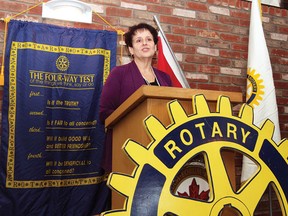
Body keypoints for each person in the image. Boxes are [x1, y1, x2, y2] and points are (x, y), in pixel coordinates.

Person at [99, 23, 172, 172]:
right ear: (131, 50)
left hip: (159, 150)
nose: (145, 43)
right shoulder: (119, 74)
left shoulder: (165, 78)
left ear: (155, 47)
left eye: (149, 39)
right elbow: (104, 113)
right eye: (138, 40)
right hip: (126, 148)